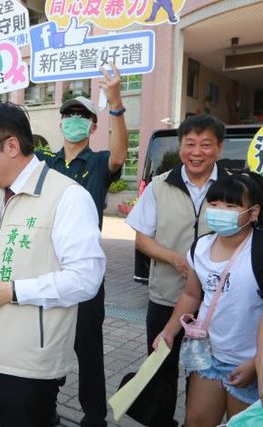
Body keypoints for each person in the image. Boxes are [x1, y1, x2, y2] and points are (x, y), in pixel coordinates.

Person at [0, 102, 105, 426]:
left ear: (11, 145)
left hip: (26, 368)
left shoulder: (67, 197)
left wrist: (11, 291)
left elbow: (86, 278)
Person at [32, 63, 128, 427]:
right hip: (45, 268)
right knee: (47, 343)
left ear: (93, 126)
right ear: (60, 124)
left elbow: (119, 154)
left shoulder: (100, 163)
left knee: (88, 349)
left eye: (83, 116)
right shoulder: (46, 162)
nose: (74, 120)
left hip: (85, 272)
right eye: (69, 115)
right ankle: (45, 407)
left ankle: (94, 416)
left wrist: (115, 103)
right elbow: (9, 151)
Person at [126, 114, 229, 426]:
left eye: (206, 145)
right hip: (166, 295)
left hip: (216, 302)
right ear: (180, 146)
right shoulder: (159, 186)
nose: (197, 152)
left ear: (219, 148)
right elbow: (143, 239)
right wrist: (176, 259)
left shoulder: (232, 188)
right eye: (190, 144)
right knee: (161, 367)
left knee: (202, 371)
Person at [154, 173, 263, 425]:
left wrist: (256, 363)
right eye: (214, 204)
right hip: (207, 355)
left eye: (231, 205)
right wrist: (169, 331)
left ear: (254, 212)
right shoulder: (200, 247)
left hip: (248, 361)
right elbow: (191, 294)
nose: (220, 211)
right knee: (196, 421)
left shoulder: (258, 250)